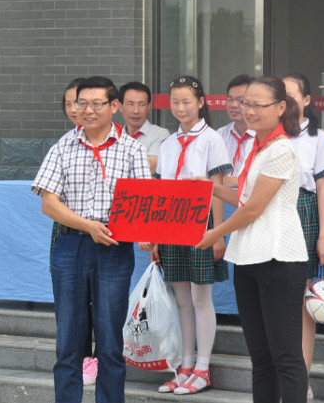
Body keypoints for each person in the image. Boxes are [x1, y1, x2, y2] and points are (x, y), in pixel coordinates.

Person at [32, 76, 151, 403]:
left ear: (114, 106)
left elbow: (143, 203)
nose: (87, 110)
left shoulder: (132, 149)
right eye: (81, 103)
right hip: (70, 247)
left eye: (96, 104)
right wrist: (88, 226)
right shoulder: (63, 146)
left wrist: (147, 233)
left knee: (110, 340)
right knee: (68, 340)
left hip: (114, 248)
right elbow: (49, 203)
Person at [198, 76, 309, 403]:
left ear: (281, 107)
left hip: (279, 258)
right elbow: (244, 200)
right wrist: (207, 187)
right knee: (260, 356)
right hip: (247, 256)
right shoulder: (254, 147)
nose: (249, 111)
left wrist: (214, 233)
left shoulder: (282, 149)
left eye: (258, 105)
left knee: (286, 356)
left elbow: (254, 209)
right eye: (245, 103)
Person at [145, 75, 232, 395]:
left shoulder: (212, 139)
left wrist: (218, 233)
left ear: (201, 103)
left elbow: (217, 189)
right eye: (175, 102)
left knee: (200, 298)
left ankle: (203, 368)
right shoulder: (168, 143)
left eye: (187, 101)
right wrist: (156, 237)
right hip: (171, 224)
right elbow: (161, 193)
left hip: (201, 223)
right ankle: (185, 366)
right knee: (181, 298)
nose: (180, 108)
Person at [282, 73, 324, 402]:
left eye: (292, 95)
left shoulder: (317, 138)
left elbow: (321, 191)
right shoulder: (270, 133)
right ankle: (281, 377)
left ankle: (301, 381)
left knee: (303, 302)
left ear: (306, 100)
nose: (286, 101)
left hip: (303, 212)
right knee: (277, 300)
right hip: (272, 212)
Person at [52, 77, 99, 386]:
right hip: (68, 234)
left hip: (102, 237)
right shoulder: (64, 144)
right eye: (69, 104)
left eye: (79, 103)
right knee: (71, 303)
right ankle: (78, 358)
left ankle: (97, 357)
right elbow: (50, 198)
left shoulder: (118, 143)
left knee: (101, 303)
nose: (75, 109)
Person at [118, 81, 169, 175]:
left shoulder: (160, 134)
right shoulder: (114, 136)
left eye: (142, 104)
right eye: (130, 104)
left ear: (148, 107)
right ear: (120, 107)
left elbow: (150, 168)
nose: (136, 111)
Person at [217, 74, 256, 187]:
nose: (234, 105)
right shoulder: (219, 135)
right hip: (220, 195)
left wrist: (235, 181)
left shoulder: (264, 137)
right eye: (230, 99)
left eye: (241, 101)